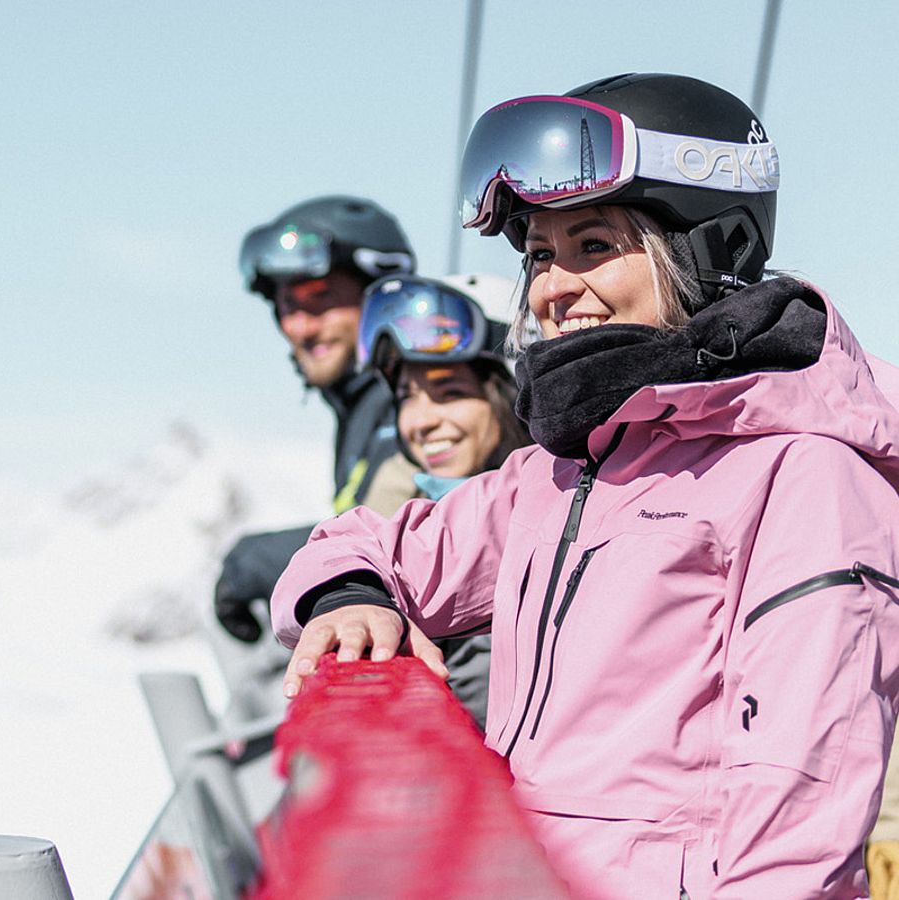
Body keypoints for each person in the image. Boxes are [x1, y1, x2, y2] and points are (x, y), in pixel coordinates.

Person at [270, 73, 899, 897]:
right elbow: (368, 545)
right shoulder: (557, 474)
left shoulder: (806, 478)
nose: (554, 286)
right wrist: (353, 597)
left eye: (593, 245)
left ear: (718, 248)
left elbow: (797, 826)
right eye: (539, 254)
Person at [212, 197, 418, 652]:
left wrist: (258, 560)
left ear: (383, 295)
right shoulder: (361, 405)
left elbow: (406, 538)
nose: (301, 327)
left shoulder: (426, 398)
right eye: (287, 305)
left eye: (320, 300)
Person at [355, 273, 534, 724]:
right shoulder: (416, 526)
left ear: (512, 392)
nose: (421, 421)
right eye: (406, 397)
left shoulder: (549, 523)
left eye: (450, 393)